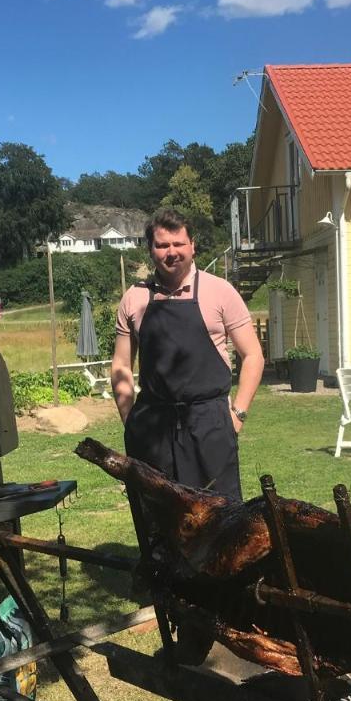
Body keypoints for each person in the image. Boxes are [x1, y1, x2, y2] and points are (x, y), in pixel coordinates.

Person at [111, 208, 263, 502]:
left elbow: (253, 355)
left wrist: (237, 415)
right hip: (153, 427)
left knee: (220, 519)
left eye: (178, 244)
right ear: (151, 249)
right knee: (157, 520)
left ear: (192, 246)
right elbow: (121, 364)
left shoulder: (220, 292)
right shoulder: (134, 299)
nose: (171, 253)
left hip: (210, 425)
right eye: (162, 245)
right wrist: (130, 420)